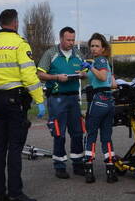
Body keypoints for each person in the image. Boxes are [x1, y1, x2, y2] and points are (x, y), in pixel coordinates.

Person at [0, 9, 46, 201]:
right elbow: (29, 75)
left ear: (0, 23)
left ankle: (0, 194)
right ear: (15, 23)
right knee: (15, 148)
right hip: (15, 101)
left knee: (0, 148)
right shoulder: (19, 45)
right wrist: (39, 99)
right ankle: (15, 193)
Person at [36, 26, 86, 179]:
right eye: (68, 40)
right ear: (61, 39)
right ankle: (59, 165)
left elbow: (87, 70)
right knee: (59, 133)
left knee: (78, 132)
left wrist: (84, 74)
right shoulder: (51, 53)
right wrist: (56, 77)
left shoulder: (78, 54)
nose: (71, 42)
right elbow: (39, 73)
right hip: (57, 98)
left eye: (73, 39)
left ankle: (78, 163)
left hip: (73, 99)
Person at [82, 34, 117, 183]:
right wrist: (85, 74)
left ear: (103, 48)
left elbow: (102, 78)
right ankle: (110, 170)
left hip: (98, 102)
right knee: (106, 137)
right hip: (109, 102)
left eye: (97, 46)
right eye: (92, 46)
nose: (94, 48)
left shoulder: (99, 60)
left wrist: (90, 67)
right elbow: (113, 84)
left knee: (91, 135)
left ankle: (89, 169)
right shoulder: (105, 62)